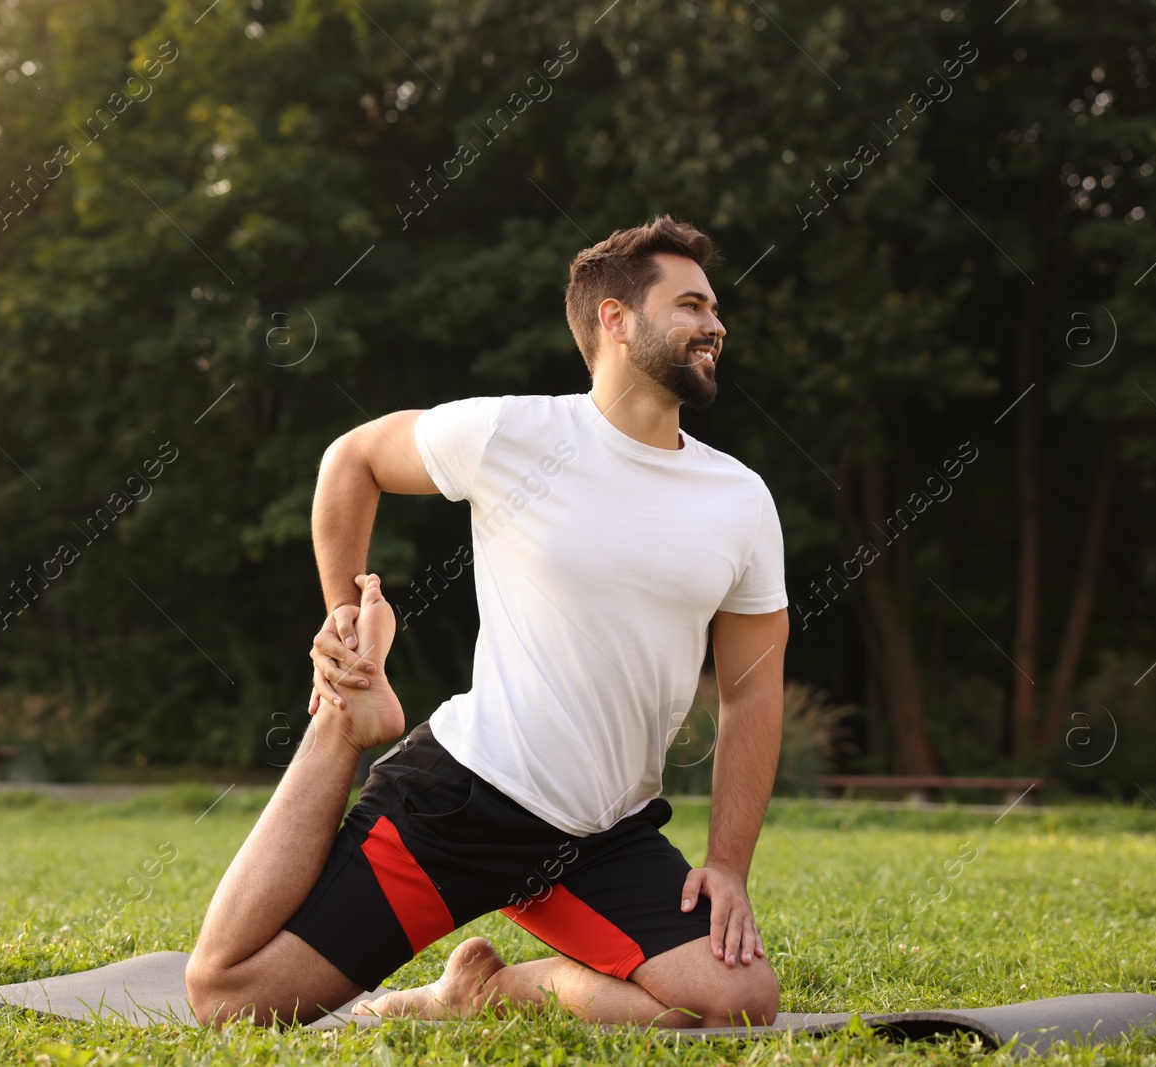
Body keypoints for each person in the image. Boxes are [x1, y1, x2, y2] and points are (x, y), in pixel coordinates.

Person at [184, 215, 789, 1029]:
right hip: (461, 804)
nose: (714, 322)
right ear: (615, 320)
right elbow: (351, 460)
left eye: (714, 307)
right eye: (689, 304)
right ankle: (341, 729)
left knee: (739, 1006)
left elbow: (753, 693)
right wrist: (343, 620)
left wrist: (727, 864)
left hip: (604, 838)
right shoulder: (515, 433)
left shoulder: (740, 499)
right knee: (231, 1000)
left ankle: (482, 994)